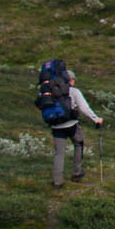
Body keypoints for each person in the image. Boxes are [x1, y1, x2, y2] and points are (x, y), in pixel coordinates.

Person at [35, 58, 102, 188]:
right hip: (71, 124)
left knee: (59, 153)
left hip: (55, 125)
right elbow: (84, 108)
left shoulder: (46, 90)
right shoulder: (73, 91)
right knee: (79, 144)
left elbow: (40, 105)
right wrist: (96, 119)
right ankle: (77, 173)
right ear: (69, 79)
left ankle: (57, 181)